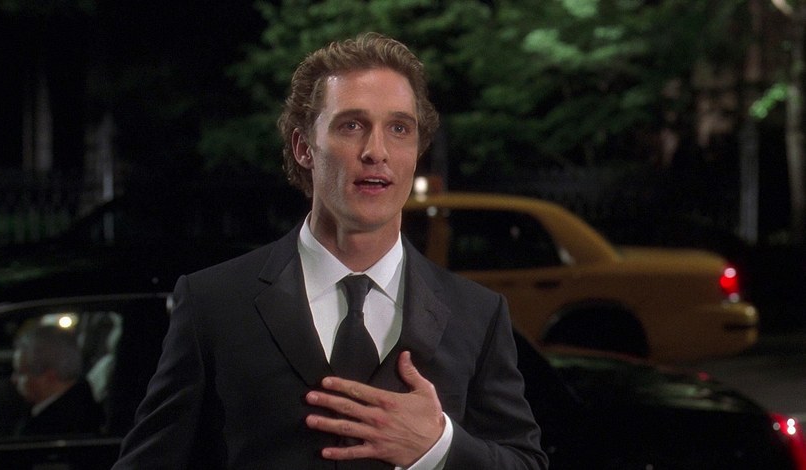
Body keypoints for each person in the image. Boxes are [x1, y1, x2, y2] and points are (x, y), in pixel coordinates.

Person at [113, 32, 548, 469]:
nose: (376, 151)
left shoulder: (477, 315)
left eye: (399, 128)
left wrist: (438, 446)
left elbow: (526, 462)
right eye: (352, 125)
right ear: (304, 147)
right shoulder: (213, 304)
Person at [11, 324, 104, 438]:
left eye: (21, 373)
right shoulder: (82, 401)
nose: (14, 380)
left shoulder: (56, 429)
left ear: (49, 377)